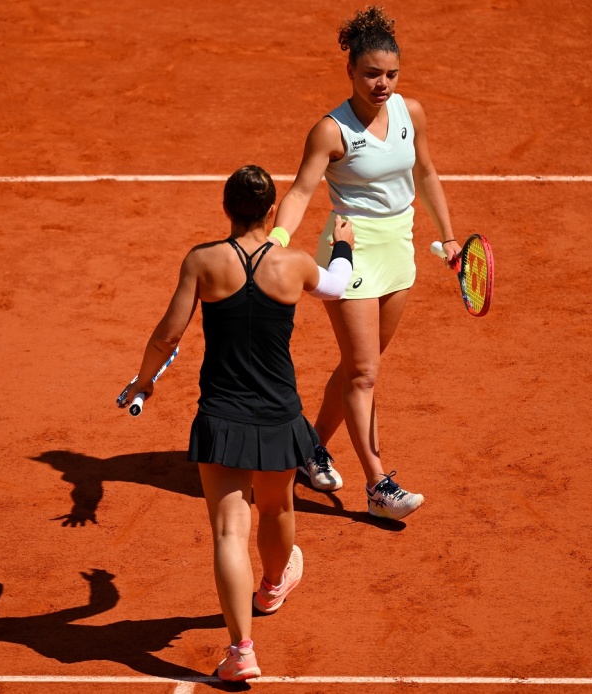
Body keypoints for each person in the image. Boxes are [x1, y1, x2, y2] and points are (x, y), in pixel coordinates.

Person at [120, 165, 355, 682]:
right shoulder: (293, 264)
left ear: (226, 208)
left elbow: (167, 335)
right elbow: (338, 286)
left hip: (222, 416)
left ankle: (241, 650)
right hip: (279, 414)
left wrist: (143, 381)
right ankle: (273, 585)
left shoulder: (202, 262)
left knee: (230, 530)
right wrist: (342, 244)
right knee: (276, 508)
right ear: (271, 211)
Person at [269, 6, 458, 520]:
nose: (383, 83)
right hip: (349, 250)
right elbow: (301, 191)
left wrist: (449, 236)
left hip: (400, 247)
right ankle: (378, 483)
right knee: (365, 373)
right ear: (350, 71)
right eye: (372, 73)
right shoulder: (331, 131)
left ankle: (306, 450)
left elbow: (426, 173)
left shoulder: (409, 112)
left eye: (391, 73)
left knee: (359, 368)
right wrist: (277, 240)